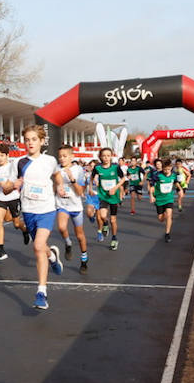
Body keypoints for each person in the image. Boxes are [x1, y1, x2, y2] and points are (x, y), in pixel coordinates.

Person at [14, 126, 65, 310]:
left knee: (36, 247)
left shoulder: (50, 160)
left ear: (42, 141)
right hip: (28, 210)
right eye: (27, 139)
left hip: (46, 209)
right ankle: (52, 256)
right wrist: (13, 185)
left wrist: (59, 187)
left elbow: (57, 176)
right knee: (41, 248)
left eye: (34, 139)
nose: (30, 143)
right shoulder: (19, 162)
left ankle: (41, 293)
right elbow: (8, 187)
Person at [53, 144, 89, 272]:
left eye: (65, 156)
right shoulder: (56, 169)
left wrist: (72, 179)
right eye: (60, 156)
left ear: (71, 156)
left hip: (76, 206)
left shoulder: (78, 169)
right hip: (62, 204)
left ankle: (84, 259)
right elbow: (53, 186)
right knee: (62, 227)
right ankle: (68, 243)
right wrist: (58, 188)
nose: (62, 159)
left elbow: (80, 192)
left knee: (79, 235)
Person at [0, 144, 23, 261]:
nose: (0, 158)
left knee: (16, 224)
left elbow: (10, 187)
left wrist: (4, 185)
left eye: (2, 155)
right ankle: (1, 249)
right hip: (1, 198)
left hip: (13, 197)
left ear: (7, 155)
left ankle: (25, 230)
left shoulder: (12, 167)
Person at [91, 147, 124, 251]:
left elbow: (123, 178)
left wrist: (115, 188)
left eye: (108, 156)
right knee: (102, 215)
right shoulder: (97, 168)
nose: (106, 158)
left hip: (113, 197)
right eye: (104, 156)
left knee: (113, 220)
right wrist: (93, 183)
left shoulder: (115, 167)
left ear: (111, 156)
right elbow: (93, 177)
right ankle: (105, 223)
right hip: (103, 196)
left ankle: (114, 238)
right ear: (100, 157)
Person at [152, 157, 178, 243]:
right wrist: (152, 196)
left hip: (169, 198)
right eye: (165, 169)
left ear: (171, 167)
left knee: (169, 214)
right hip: (159, 199)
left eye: (168, 169)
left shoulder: (174, 174)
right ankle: (162, 215)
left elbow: (175, 182)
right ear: (162, 168)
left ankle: (167, 234)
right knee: (161, 218)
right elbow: (152, 186)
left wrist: (180, 189)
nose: (167, 171)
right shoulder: (157, 175)